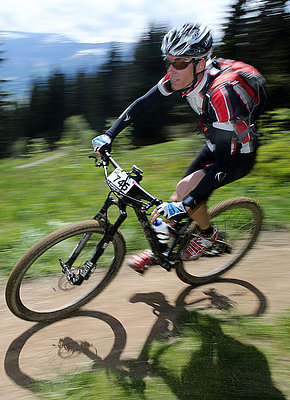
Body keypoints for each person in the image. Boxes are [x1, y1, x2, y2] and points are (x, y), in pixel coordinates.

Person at [92, 22, 266, 274]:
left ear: (201, 63)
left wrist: (188, 202)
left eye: (180, 63)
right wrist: (109, 135)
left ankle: (208, 236)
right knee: (175, 200)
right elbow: (143, 103)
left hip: (237, 155)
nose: (172, 70)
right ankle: (161, 251)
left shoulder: (221, 94)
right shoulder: (183, 78)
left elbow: (222, 164)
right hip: (215, 143)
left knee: (186, 194)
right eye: (169, 62)